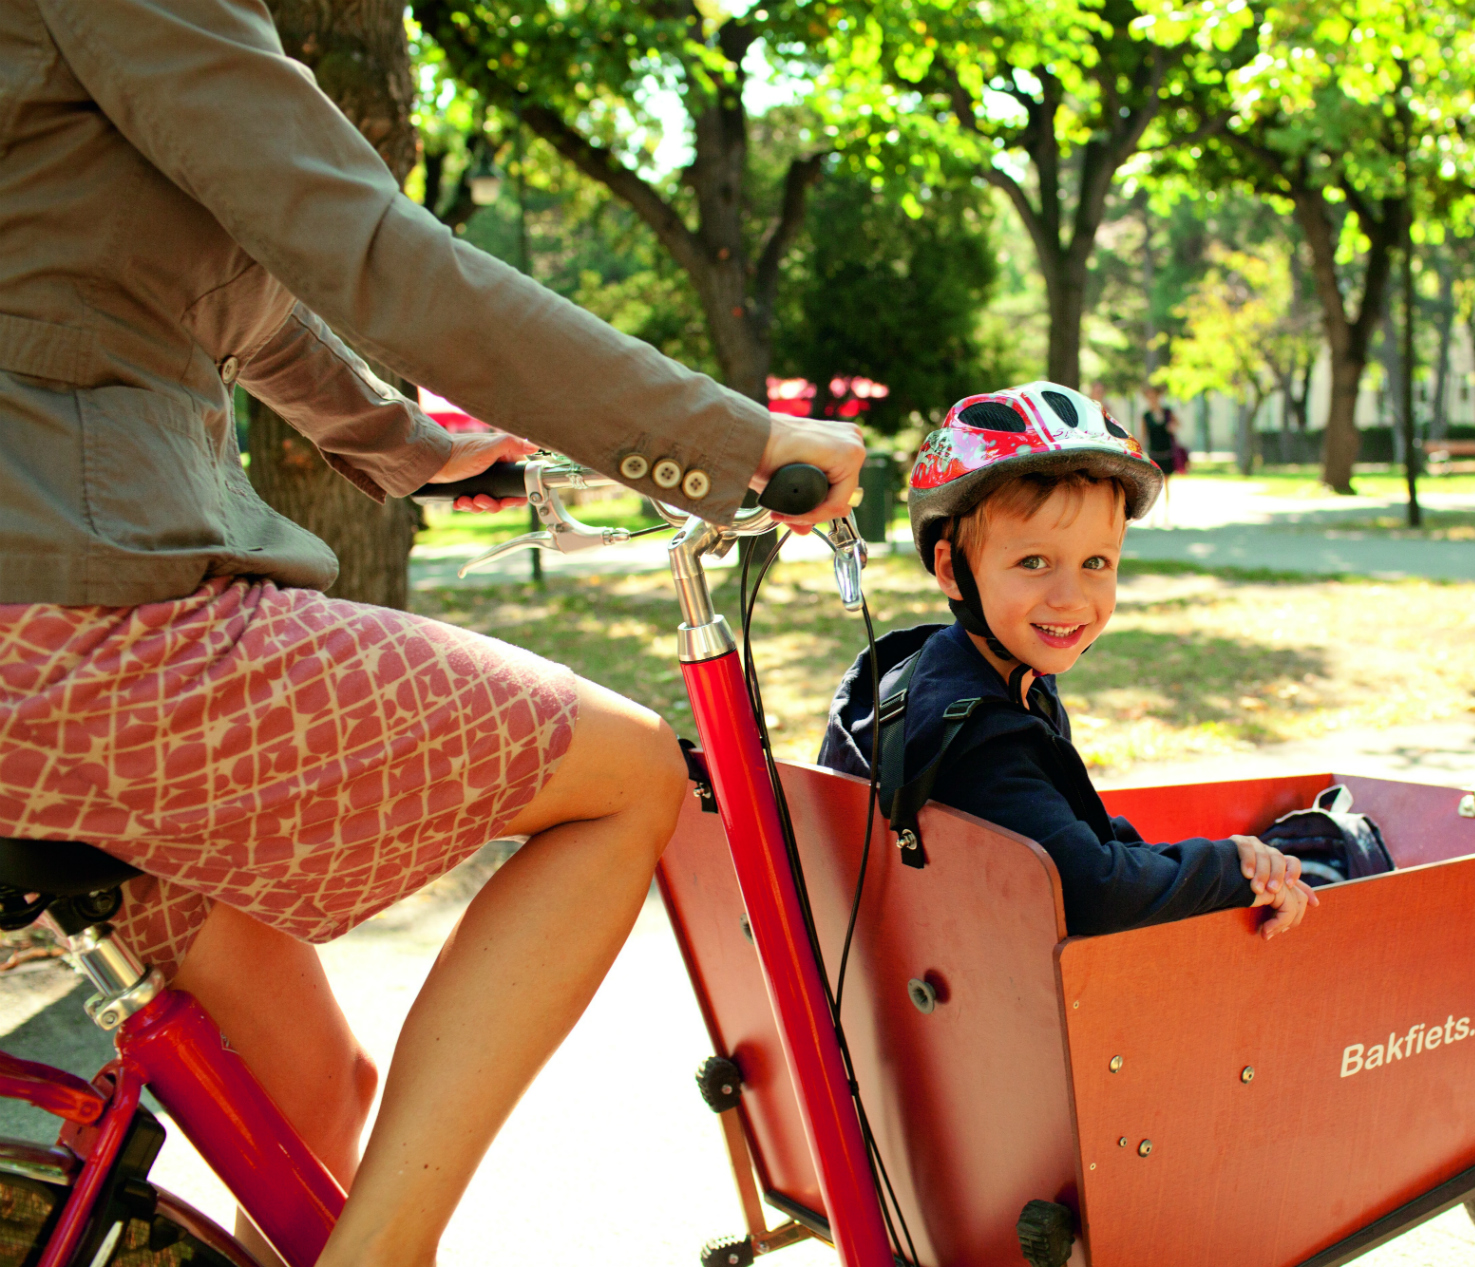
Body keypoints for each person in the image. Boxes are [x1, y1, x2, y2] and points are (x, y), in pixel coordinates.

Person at [0, 3, 862, 1266]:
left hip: (50, 645)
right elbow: (367, 249)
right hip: (71, 626)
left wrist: (415, 450)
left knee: (317, 1097)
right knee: (623, 778)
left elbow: (237, 291)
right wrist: (733, 444)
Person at [819, 383, 1389, 938]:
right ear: (951, 570)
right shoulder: (978, 731)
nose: (1070, 598)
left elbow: (1073, 832)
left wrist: (1230, 861)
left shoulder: (944, 671)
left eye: (1096, 562)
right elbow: (1092, 891)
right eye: (1035, 562)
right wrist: (1229, 869)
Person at [1140, 383, 1182, 521]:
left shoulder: (1167, 412)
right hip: (1154, 453)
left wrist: (1172, 427)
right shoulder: (1146, 416)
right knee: (1155, 485)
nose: (1152, 399)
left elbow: (1179, 424)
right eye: (1149, 397)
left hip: (1167, 452)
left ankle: (1166, 516)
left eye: (1154, 396)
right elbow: (1143, 435)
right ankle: (1153, 516)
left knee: (1167, 484)